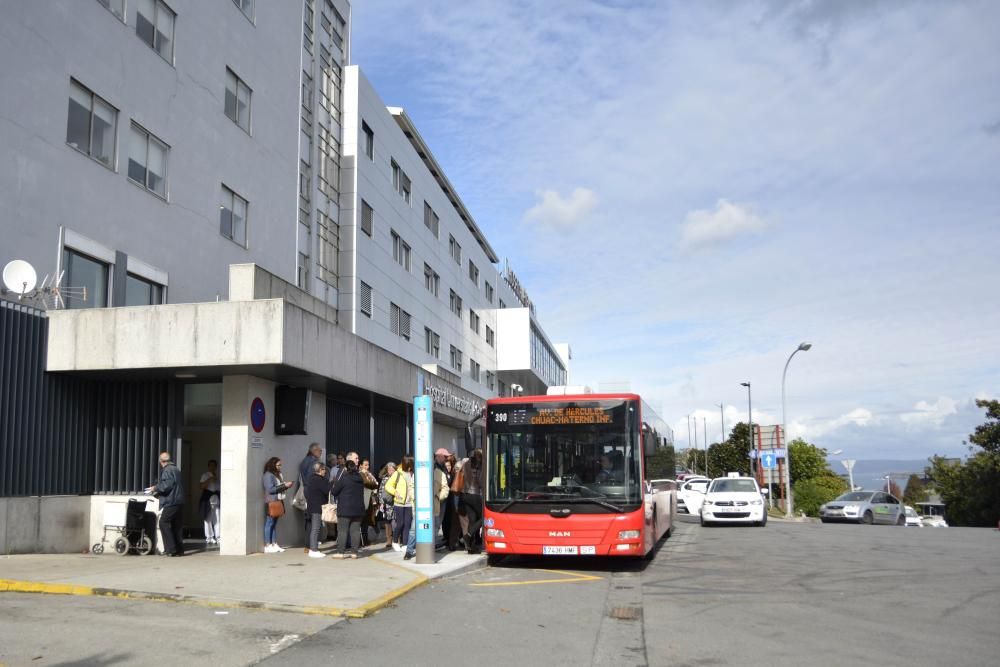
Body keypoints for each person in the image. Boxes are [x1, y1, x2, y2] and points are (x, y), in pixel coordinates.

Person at [331, 459, 376, 558]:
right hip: (358, 509)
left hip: (345, 509)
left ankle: (340, 553)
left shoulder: (344, 478)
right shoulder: (360, 478)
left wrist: (335, 483)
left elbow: (334, 492)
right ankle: (354, 552)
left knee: (343, 531)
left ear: (346, 468)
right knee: (355, 531)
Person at [145, 452, 185, 557]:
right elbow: (173, 485)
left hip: (171, 501)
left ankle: (171, 549)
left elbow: (167, 485)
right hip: (179, 501)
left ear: (161, 461)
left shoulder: (167, 470)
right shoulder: (176, 469)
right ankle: (179, 550)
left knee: (163, 523)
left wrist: (155, 488)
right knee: (176, 526)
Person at [262, 457, 294, 553]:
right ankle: (268, 545)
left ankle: (274, 543)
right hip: (271, 501)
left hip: (278, 500)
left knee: (274, 523)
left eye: (280, 465)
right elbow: (270, 489)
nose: (280, 467)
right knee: (269, 522)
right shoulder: (268, 475)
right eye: (278, 465)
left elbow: (277, 488)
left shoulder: (276, 474)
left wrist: (286, 486)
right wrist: (284, 485)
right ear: (273, 465)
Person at [297, 443, 323, 554]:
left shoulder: (304, 461)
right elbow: (311, 479)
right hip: (312, 493)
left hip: (307, 492)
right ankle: (311, 546)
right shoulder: (313, 462)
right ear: (314, 450)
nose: (321, 452)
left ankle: (308, 546)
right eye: (320, 451)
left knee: (309, 519)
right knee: (314, 520)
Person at [386, 457, 414, 553]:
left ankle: (405, 544)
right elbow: (388, 485)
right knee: (400, 523)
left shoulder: (413, 473)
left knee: (407, 524)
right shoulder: (398, 473)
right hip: (399, 503)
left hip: (409, 503)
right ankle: (395, 541)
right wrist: (395, 492)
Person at [459, 448, 484, 554]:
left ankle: (470, 546)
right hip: (475, 495)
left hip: (464, 495)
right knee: (486, 517)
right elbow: (481, 482)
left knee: (472, 519)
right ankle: (468, 536)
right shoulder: (479, 465)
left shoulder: (466, 464)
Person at [305, 461, 331, 559]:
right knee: (316, 528)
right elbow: (327, 490)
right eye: (324, 469)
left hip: (312, 506)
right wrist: (331, 482)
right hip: (317, 507)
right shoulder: (320, 479)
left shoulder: (311, 478)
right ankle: (313, 549)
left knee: (314, 528)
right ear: (320, 470)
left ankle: (313, 548)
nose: (325, 471)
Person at [374, 462, 396, 550]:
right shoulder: (384, 478)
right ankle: (389, 540)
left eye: (392, 469)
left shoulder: (398, 478)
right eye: (389, 469)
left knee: (396, 522)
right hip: (387, 503)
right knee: (387, 522)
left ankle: (396, 539)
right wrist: (381, 502)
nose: (390, 471)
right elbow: (381, 491)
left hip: (396, 502)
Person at [199, 459, 221, 545]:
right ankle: (209, 537)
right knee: (207, 519)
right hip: (208, 499)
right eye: (210, 465)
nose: (212, 467)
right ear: (208, 466)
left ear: (216, 467)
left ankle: (218, 537)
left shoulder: (218, 475)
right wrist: (210, 479)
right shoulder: (205, 475)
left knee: (217, 518)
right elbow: (201, 486)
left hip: (216, 499)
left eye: (214, 465)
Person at [359, 458, 378, 547]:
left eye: (368, 465)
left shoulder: (368, 474)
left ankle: (365, 540)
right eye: (365, 465)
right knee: (361, 522)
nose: (367, 466)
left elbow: (376, 483)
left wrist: (372, 480)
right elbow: (368, 483)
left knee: (366, 521)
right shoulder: (361, 474)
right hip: (362, 501)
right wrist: (372, 482)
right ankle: (361, 541)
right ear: (361, 465)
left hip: (369, 500)